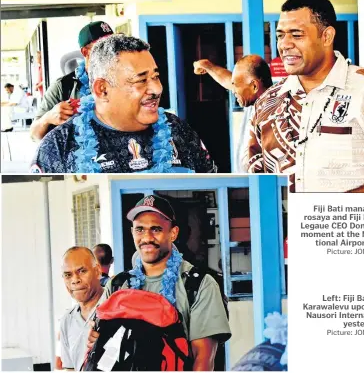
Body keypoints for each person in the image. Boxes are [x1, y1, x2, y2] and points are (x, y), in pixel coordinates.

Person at [249, 0, 364, 192]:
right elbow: (253, 179)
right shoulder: (267, 103)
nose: (285, 44)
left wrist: (334, 212)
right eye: (280, 35)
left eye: (297, 35)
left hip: (349, 222)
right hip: (285, 223)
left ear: (327, 36)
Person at [30, 35, 217, 174]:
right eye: (141, 80)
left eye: (156, 77)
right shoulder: (59, 147)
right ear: (102, 89)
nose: (157, 89)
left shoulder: (179, 130)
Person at [88, 194, 231, 371]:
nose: (146, 237)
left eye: (155, 229)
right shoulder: (117, 285)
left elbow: (203, 359)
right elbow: (99, 345)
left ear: (173, 233)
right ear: (132, 232)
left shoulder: (198, 284)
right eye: (139, 229)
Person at [30, 21, 114, 141]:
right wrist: (48, 118)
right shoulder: (63, 87)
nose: (110, 52)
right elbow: (34, 135)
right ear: (85, 52)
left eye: (113, 45)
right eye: (102, 47)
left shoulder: (126, 81)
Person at [193, 55, 273, 173]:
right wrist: (207, 66)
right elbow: (228, 80)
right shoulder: (252, 96)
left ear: (254, 86)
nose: (233, 90)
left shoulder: (273, 112)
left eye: (236, 86)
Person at [60, 247, 105, 370]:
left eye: (82, 271)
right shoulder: (67, 320)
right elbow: (69, 368)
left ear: (97, 271)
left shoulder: (117, 309)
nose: (75, 280)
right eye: (68, 275)